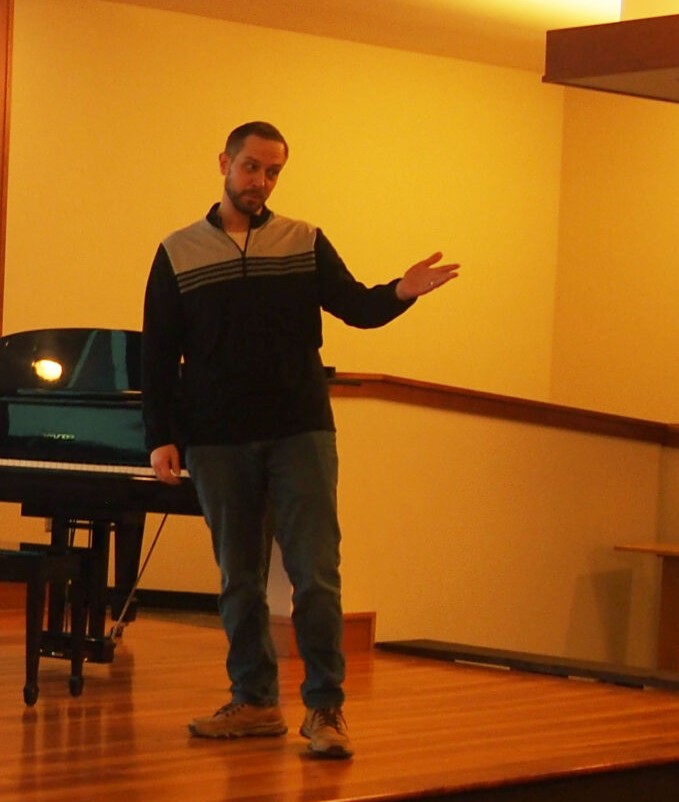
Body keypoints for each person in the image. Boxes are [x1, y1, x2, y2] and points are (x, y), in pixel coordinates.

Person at [143, 122, 458, 759]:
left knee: (315, 575)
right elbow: (157, 355)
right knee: (240, 578)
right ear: (225, 162)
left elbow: (357, 307)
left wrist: (401, 292)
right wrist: (162, 438)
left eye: (273, 172)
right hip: (217, 439)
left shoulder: (303, 240)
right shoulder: (177, 251)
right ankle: (255, 702)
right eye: (252, 167)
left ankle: (325, 710)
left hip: (300, 432)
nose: (260, 182)